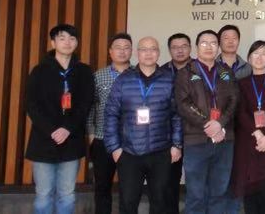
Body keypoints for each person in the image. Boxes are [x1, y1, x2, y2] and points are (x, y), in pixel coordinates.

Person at [104, 36, 183, 214]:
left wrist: (177, 145)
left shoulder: (169, 79)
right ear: (137, 53)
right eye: (144, 49)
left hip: (161, 151)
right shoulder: (123, 80)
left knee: (160, 201)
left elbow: (177, 115)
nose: (148, 53)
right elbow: (111, 114)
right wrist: (115, 148)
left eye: (153, 49)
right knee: (128, 203)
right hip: (129, 152)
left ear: (159, 53)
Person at [25, 24, 94, 214]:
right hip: (43, 140)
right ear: (53, 42)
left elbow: (86, 104)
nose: (67, 42)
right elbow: (31, 105)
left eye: (72, 38)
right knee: (43, 194)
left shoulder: (84, 71)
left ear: (77, 43)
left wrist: (67, 128)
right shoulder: (39, 71)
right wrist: (52, 130)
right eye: (62, 38)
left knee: (67, 194)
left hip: (71, 140)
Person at [175, 30, 241, 214]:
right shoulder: (185, 73)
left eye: (213, 43)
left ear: (218, 47)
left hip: (224, 140)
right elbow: (183, 103)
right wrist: (208, 125)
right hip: (196, 141)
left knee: (219, 192)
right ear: (196, 47)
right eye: (204, 43)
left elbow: (234, 100)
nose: (209, 47)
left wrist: (220, 124)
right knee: (196, 194)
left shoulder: (226, 72)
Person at [232, 40, 265, 214]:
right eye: (255, 53)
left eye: (264, 54)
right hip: (249, 143)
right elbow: (240, 112)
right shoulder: (241, 83)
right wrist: (257, 133)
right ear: (249, 58)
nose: (259, 57)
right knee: (250, 192)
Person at [87, 32, 132, 214]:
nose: (122, 51)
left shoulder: (138, 74)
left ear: (131, 51)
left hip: (131, 141)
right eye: (118, 48)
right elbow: (90, 107)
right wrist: (91, 134)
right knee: (102, 187)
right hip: (102, 139)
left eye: (126, 48)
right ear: (110, 51)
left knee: (129, 188)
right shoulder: (98, 76)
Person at [162, 32, 192, 213]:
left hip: (196, 133)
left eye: (184, 46)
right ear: (169, 50)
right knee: (169, 182)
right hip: (169, 136)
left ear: (190, 48)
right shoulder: (161, 72)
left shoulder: (201, 70)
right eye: (175, 47)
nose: (180, 50)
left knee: (196, 182)